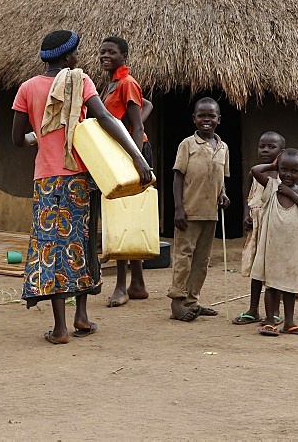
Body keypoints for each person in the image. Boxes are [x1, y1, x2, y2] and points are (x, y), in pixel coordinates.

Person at [12, 30, 153, 345]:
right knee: (81, 244)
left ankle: (61, 328)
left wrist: (40, 135)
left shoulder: (27, 89)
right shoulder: (81, 81)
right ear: (67, 57)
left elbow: (17, 140)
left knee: (52, 248)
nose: (79, 57)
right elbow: (105, 118)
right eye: (76, 53)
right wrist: (138, 157)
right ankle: (82, 317)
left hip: (46, 179)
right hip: (79, 176)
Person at [98, 35, 154, 307]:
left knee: (122, 216)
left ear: (123, 55)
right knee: (127, 215)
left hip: (131, 155)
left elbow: (137, 125)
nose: (105, 56)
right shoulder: (112, 84)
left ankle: (121, 286)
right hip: (122, 154)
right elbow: (147, 107)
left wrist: (138, 159)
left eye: (111, 52)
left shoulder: (127, 83)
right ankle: (138, 283)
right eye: (102, 52)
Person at [168, 97, 230, 322]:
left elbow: (221, 179)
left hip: (211, 213)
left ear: (219, 120)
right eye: (202, 115)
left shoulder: (223, 147)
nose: (207, 120)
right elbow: (178, 177)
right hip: (189, 211)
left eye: (211, 116)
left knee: (201, 260)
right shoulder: (187, 144)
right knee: (184, 255)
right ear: (194, 119)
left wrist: (223, 195)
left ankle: (192, 301)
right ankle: (177, 302)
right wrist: (178, 209)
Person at [249, 149, 298, 336]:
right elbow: (255, 171)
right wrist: (271, 166)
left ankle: (289, 322)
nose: (288, 174)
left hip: (294, 250)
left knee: (290, 287)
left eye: (294, 171)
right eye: (283, 169)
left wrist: (291, 194)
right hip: (273, 249)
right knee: (271, 286)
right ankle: (270, 321)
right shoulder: (272, 187)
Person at [233, 131, 286, 325]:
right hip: (256, 228)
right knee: (256, 270)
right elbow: (248, 198)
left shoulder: (283, 175)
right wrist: (246, 216)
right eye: (262, 146)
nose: (265, 150)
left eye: (271, 147)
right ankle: (253, 309)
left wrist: (274, 166)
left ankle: (275, 311)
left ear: (281, 152)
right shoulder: (254, 173)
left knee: (274, 271)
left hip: (274, 230)